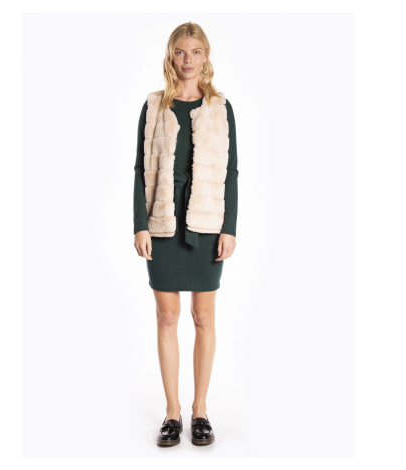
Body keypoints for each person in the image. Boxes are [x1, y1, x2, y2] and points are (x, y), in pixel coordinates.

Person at [132, 22, 239, 447]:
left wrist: (229, 229)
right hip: (162, 221)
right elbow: (140, 170)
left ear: (206, 56)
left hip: (207, 223)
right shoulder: (154, 106)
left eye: (196, 51)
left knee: (203, 316)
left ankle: (200, 411)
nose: (188, 59)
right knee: (167, 316)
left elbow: (231, 171)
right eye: (180, 51)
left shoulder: (220, 107)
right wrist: (140, 224)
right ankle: (172, 412)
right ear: (170, 56)